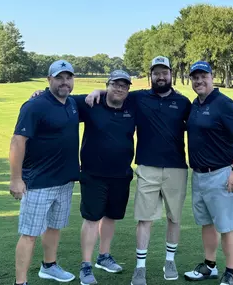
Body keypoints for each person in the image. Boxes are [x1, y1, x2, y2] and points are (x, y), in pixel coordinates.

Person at [86, 56, 191, 285]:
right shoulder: (139, 98)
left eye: (165, 72)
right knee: (145, 219)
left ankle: (169, 261)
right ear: (150, 75)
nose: (161, 77)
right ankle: (140, 267)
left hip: (177, 168)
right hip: (147, 166)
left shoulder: (183, 102)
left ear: (171, 74)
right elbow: (116, 92)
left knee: (174, 218)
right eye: (156, 73)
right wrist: (98, 90)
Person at [9, 60, 80, 285]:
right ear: (49, 79)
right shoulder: (35, 105)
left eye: (68, 77)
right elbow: (18, 141)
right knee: (29, 233)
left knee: (54, 227)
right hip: (38, 182)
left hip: (64, 181)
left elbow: (103, 97)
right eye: (59, 77)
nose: (64, 82)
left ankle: (49, 266)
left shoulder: (72, 103)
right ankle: (20, 282)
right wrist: (15, 179)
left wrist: (100, 89)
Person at [184, 61, 233, 285]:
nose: (199, 81)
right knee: (207, 223)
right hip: (199, 176)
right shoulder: (195, 104)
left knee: (227, 225)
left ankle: (231, 272)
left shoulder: (224, 104)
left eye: (203, 76)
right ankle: (209, 266)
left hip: (222, 175)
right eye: (195, 77)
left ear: (212, 77)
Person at [74, 70, 135, 285]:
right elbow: (60, 98)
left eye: (124, 85)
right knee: (91, 219)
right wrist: (40, 93)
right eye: (115, 84)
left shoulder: (132, 106)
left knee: (111, 217)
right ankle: (86, 265)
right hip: (93, 175)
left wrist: (99, 89)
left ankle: (104, 256)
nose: (119, 88)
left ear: (128, 89)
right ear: (107, 85)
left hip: (121, 175)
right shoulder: (91, 104)